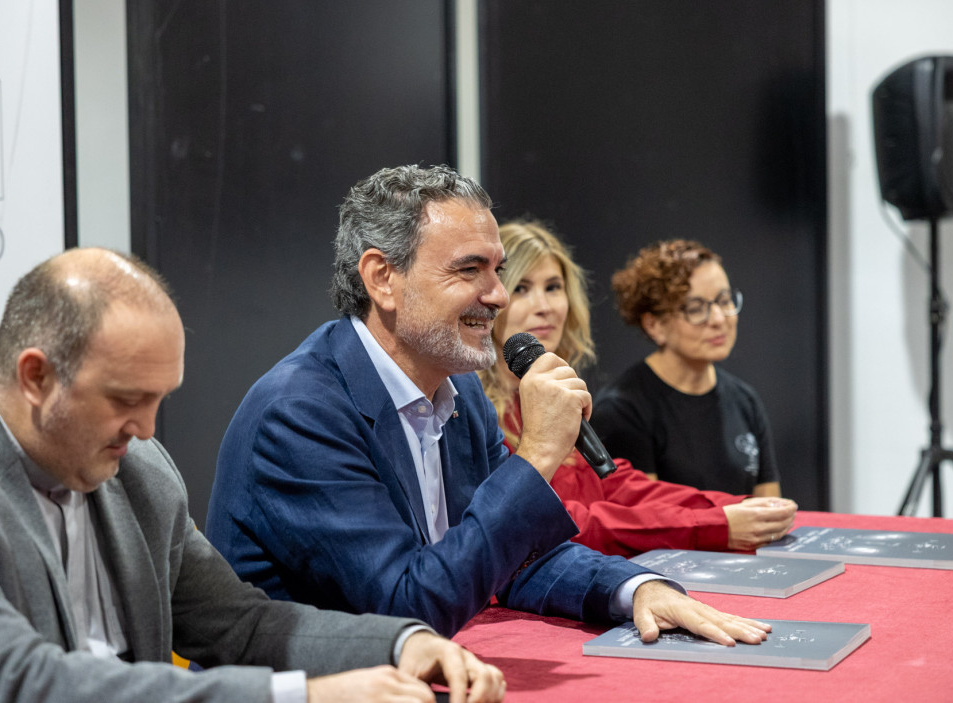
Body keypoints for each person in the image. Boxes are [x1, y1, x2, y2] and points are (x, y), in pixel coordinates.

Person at [0, 248, 504, 703]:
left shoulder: (139, 470)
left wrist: (401, 644)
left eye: (159, 400)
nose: (145, 429)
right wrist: (303, 696)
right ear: (36, 377)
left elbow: (240, 623)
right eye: (126, 399)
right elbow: (18, 681)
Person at [206, 164, 772, 646]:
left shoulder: (461, 391)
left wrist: (633, 589)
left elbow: (522, 556)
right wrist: (537, 457)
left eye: (496, 270)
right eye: (468, 270)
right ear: (382, 278)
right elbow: (406, 607)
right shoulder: (300, 413)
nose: (498, 295)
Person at [478, 220, 796, 556]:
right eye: (521, 288)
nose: (544, 306)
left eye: (554, 287)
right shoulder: (477, 412)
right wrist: (714, 524)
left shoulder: (554, 396)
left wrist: (731, 508)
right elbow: (556, 523)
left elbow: (614, 485)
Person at [591, 239, 782, 497]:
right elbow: (644, 516)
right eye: (696, 308)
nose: (718, 319)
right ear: (654, 325)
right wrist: (731, 519)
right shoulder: (623, 410)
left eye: (724, 301)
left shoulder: (745, 401)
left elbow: (771, 507)